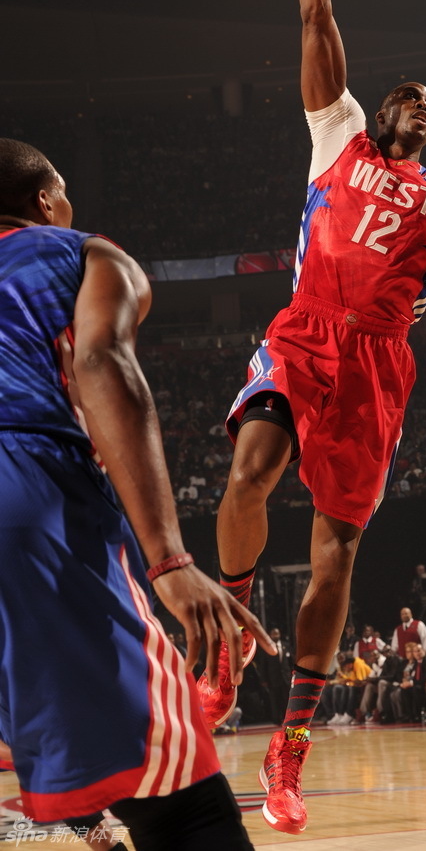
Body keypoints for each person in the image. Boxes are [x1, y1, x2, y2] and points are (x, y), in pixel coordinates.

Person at [195, 0, 426, 837]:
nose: (413, 103)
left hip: (376, 368)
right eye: (403, 92)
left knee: (334, 563)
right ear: (380, 105)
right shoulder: (336, 127)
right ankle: (236, 622)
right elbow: (317, 7)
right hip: (306, 329)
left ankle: (289, 750)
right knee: (246, 470)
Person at [0, 139, 274, 851]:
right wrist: (169, 561)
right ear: (45, 202)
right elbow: (100, 360)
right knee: (181, 801)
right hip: (26, 487)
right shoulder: (80, 252)